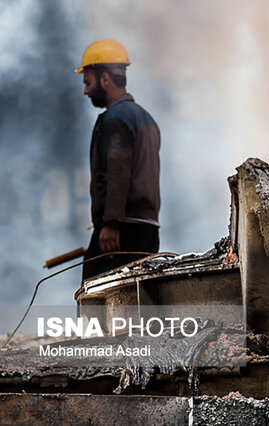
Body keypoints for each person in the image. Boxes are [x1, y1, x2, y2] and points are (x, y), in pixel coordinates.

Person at [75, 39, 161, 280]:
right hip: (147, 231)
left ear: (105, 80)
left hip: (121, 231)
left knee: (95, 298)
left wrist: (111, 223)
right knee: (137, 301)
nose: (85, 91)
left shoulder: (115, 119)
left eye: (88, 82)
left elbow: (118, 170)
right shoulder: (146, 119)